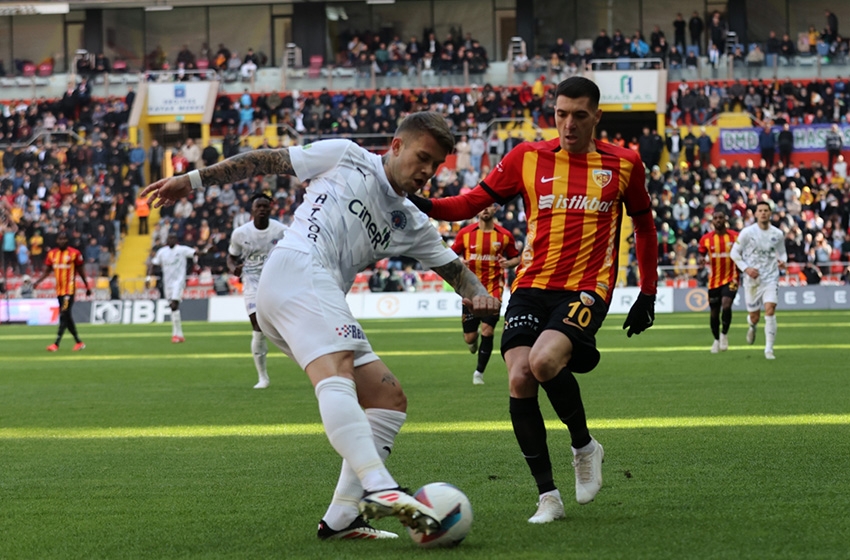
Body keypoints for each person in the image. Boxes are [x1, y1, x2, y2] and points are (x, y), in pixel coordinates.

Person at [141, 112, 502, 540]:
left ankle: (342, 518)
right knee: (339, 368)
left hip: (309, 294)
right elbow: (267, 160)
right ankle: (379, 485)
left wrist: (481, 295)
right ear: (396, 146)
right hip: (298, 268)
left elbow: (456, 271)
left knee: (387, 398)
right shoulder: (347, 155)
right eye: (422, 157)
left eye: (436, 164)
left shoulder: (412, 222)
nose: (428, 171)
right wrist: (193, 180)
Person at [409, 77, 659, 523]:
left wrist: (648, 291)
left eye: (579, 115)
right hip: (530, 285)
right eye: (561, 114)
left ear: (596, 117)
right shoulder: (527, 157)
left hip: (587, 286)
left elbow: (644, 225)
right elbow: (469, 203)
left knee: (543, 362)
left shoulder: (625, 164)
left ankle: (584, 446)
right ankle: (548, 497)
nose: (568, 124)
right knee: (520, 376)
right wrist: (420, 202)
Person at [451, 203, 520, 385]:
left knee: (487, 330)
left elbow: (516, 257)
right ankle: (472, 344)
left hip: (493, 290)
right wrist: (460, 261)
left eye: (489, 206)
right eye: (482, 206)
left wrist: (509, 263)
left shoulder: (504, 235)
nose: (485, 209)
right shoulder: (465, 233)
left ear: (495, 209)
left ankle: (479, 373)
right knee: (470, 338)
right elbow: (449, 255)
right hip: (470, 290)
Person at [227, 193, 288, 389]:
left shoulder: (282, 231)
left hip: (276, 281)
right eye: (258, 206)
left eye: (265, 206)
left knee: (288, 327)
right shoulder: (240, 233)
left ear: (271, 209)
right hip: (252, 282)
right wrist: (233, 269)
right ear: (252, 210)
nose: (262, 209)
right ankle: (263, 377)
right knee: (257, 325)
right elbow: (231, 257)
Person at [730, 201, 787, 360]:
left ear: (770, 213)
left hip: (771, 277)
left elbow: (782, 253)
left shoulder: (777, 234)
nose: (763, 213)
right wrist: (746, 269)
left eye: (766, 210)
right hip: (752, 281)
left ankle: (769, 349)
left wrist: (783, 261)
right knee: (755, 316)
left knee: (770, 310)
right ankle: (752, 325)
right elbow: (734, 253)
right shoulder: (747, 233)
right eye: (760, 210)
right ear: (755, 214)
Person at [32, 231, 91, 352]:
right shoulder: (52, 254)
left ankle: (56, 344)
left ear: (67, 240)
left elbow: (81, 271)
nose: (62, 241)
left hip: (69, 290)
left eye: (64, 239)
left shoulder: (74, 253)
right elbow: (47, 271)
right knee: (67, 316)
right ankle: (79, 342)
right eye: (60, 239)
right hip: (59, 291)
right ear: (56, 240)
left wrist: (87, 286)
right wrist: (37, 282)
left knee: (64, 314)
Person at [698, 210, 739, 353]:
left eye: (720, 217)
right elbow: (701, 254)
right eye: (715, 218)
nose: (718, 220)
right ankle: (716, 339)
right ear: (712, 222)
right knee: (714, 313)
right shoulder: (706, 239)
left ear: (725, 220)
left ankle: (724, 334)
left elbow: (744, 251)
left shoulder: (735, 237)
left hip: (732, 278)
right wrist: (701, 260)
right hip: (714, 281)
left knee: (726, 305)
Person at [147, 233, 197, 343]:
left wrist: (207, 251)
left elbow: (195, 253)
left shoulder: (182, 250)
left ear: (176, 240)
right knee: (173, 307)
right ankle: (179, 334)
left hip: (178, 282)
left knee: (174, 304)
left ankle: (175, 335)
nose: (171, 240)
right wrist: (149, 277)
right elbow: (153, 264)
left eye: (173, 238)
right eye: (169, 238)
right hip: (167, 283)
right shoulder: (162, 252)